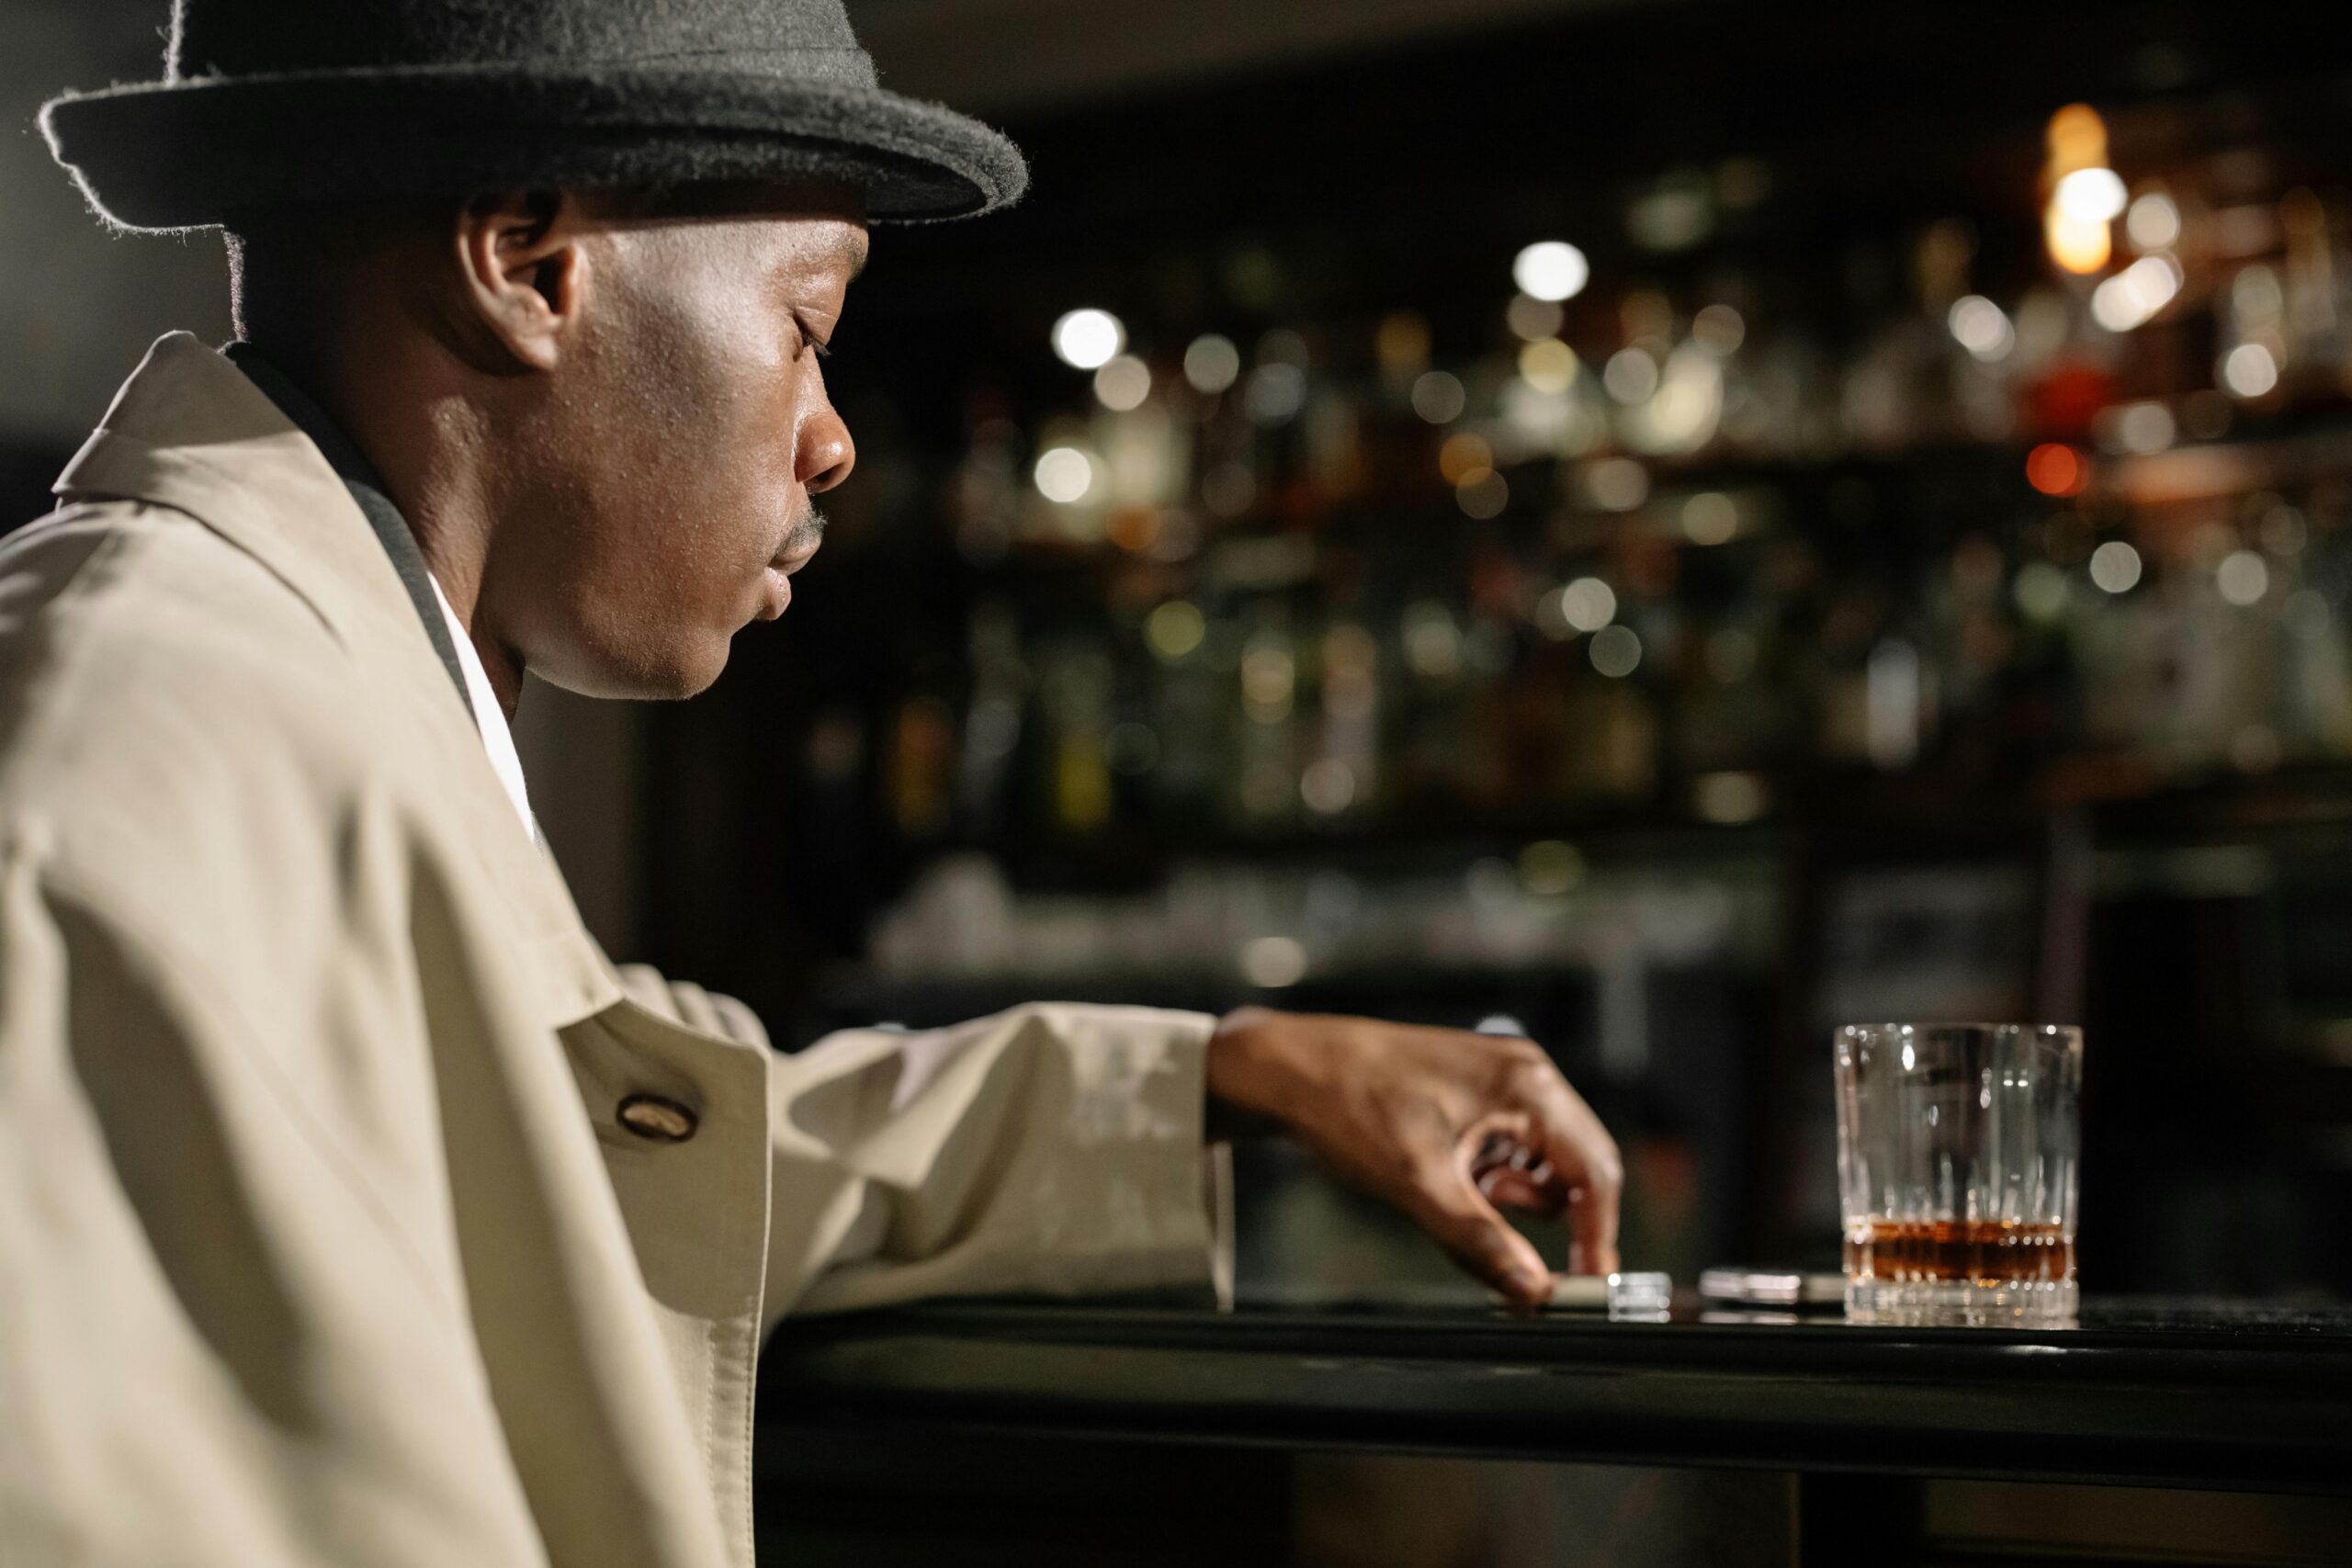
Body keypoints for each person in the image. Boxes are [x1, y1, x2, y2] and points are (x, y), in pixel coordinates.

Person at [4, 1, 1622, 1562]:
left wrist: (1240, 1070)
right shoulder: (130, 752)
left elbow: (642, 1135)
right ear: (526, 260)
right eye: (807, 327)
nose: (833, 437)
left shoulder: (301, 695)